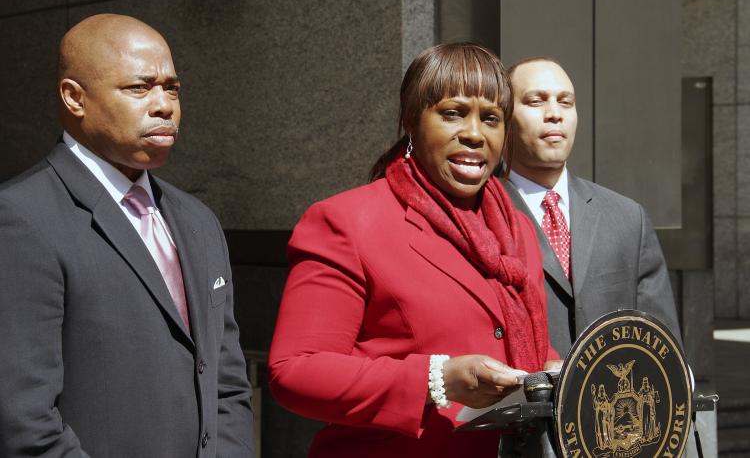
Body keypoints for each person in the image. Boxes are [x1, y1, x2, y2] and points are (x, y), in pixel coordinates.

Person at [268, 43, 560, 457]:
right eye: (453, 113)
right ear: (411, 121)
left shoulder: (517, 229)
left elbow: (517, 339)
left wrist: (554, 369)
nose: (475, 134)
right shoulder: (346, 221)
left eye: (491, 119)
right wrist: (435, 379)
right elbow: (294, 370)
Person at [0, 14, 254, 457]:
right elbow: (23, 421)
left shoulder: (198, 220)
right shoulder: (22, 219)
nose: (164, 105)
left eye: (171, 88)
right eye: (139, 88)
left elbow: (226, 383)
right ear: (74, 98)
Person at [502, 57, 681, 356]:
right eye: (536, 101)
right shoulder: (480, 213)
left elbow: (663, 343)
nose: (554, 114)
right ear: (504, 117)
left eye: (566, 102)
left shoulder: (627, 218)